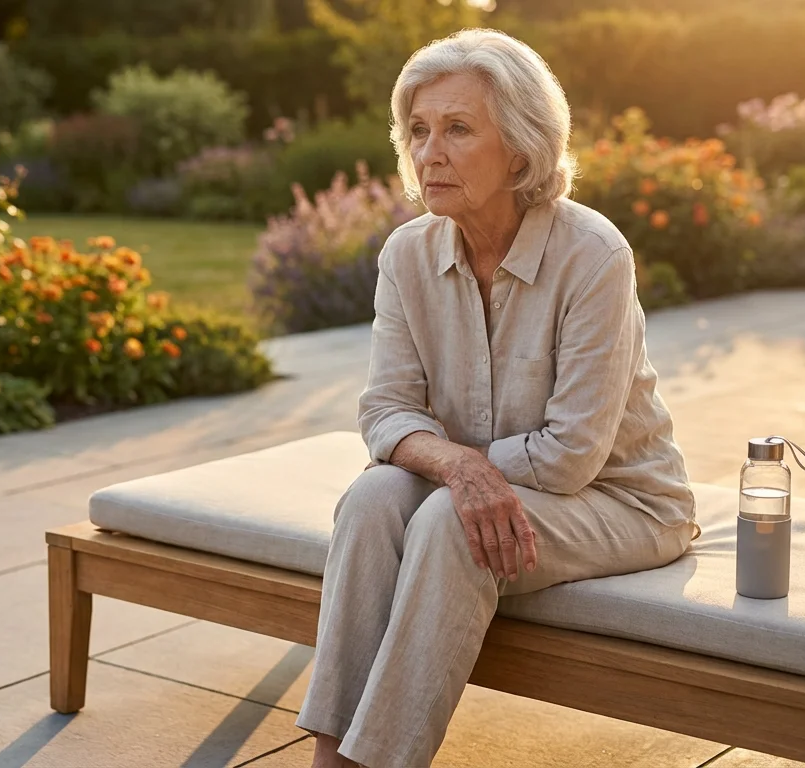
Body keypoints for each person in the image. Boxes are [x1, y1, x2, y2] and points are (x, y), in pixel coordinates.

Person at [295, 28, 701, 768]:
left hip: (623, 502)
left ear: (520, 147)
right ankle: (328, 756)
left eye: (457, 129)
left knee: (453, 524)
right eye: (417, 130)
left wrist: (460, 471)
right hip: (489, 482)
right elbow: (385, 412)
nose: (428, 153)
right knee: (372, 499)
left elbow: (573, 454)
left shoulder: (593, 254)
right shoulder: (407, 253)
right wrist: (457, 465)